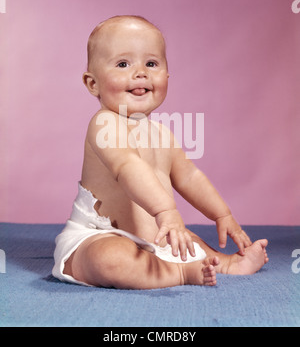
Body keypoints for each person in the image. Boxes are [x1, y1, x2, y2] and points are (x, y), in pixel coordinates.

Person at [52, 15, 268, 289]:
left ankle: (225, 263)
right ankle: (181, 274)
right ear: (92, 83)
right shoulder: (104, 124)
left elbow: (189, 177)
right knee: (108, 260)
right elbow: (127, 166)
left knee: (186, 239)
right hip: (100, 234)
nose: (140, 72)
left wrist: (221, 214)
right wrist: (165, 210)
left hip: (156, 238)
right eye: (123, 64)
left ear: (166, 76)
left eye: (151, 63)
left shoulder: (163, 133)